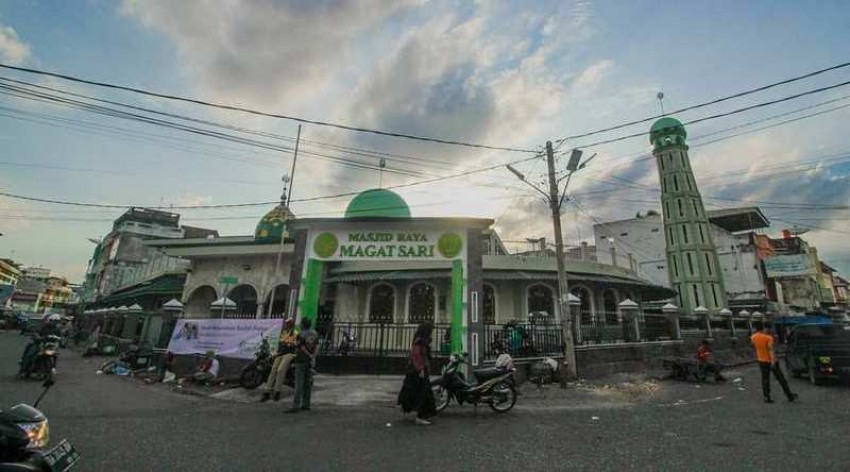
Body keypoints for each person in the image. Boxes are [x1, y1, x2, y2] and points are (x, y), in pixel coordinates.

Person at [397, 323, 436, 425]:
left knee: (418, 392)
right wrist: (421, 369)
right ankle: (421, 416)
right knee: (424, 393)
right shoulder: (420, 341)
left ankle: (415, 412)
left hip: (418, 371)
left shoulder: (421, 340)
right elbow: (416, 356)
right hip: (419, 371)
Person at [751, 322, 798, 403]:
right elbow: (771, 350)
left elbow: (753, 346)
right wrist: (773, 361)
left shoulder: (753, 337)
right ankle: (789, 395)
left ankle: (766, 397)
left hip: (761, 360)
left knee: (765, 379)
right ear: (763, 328)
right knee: (781, 379)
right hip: (771, 361)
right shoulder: (768, 338)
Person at [261, 318, 298, 402]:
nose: (286, 325)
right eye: (286, 324)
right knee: (273, 369)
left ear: (291, 324)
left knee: (280, 370)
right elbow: (281, 343)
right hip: (281, 353)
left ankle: (277, 391)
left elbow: (292, 345)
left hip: (289, 353)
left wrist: (287, 344)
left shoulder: (295, 333)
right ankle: (267, 391)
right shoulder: (284, 333)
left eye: (288, 324)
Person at [286, 318, 318, 413]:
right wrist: (313, 357)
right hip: (309, 361)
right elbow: (317, 346)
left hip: (301, 360)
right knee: (307, 383)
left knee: (299, 383)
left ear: (303, 325)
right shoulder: (315, 333)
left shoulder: (301, 334)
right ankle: (306, 404)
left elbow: (301, 347)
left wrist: (308, 354)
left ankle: (295, 405)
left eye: (301, 323)